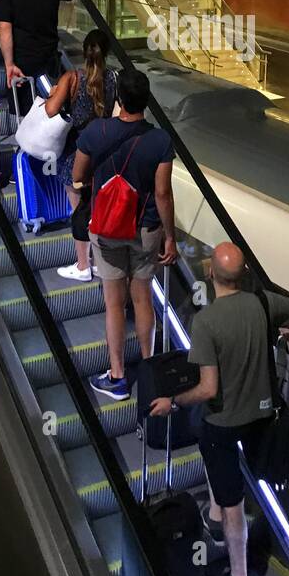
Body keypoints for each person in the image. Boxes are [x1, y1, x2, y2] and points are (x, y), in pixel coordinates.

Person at [151, 243, 289, 576]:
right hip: (261, 416)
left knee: (233, 503)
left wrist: (174, 402)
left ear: (210, 273)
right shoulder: (264, 303)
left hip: (223, 424)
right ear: (243, 275)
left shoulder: (206, 322)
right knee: (226, 478)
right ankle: (213, 518)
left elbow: (208, 388)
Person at [72, 68, 177, 401]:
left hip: (107, 229)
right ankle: (148, 374)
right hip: (146, 229)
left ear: (118, 98)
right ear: (146, 101)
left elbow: (77, 176)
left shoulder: (95, 131)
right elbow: (163, 193)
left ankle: (117, 376)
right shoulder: (160, 140)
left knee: (114, 305)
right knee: (143, 298)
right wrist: (170, 237)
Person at [49, 29, 119, 283]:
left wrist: (55, 92)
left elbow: (51, 110)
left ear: (84, 50)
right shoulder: (113, 77)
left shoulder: (73, 77)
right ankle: (99, 262)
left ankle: (82, 265)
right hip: (102, 150)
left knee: (78, 208)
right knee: (96, 208)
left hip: (75, 150)